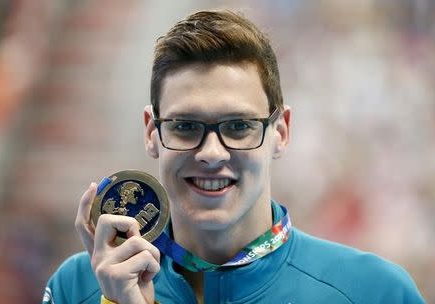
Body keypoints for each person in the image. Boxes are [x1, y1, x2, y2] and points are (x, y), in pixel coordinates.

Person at [42, 9, 425, 304]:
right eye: (185, 126)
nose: (211, 153)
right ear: (151, 132)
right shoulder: (79, 286)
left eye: (239, 126)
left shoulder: (374, 291)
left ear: (281, 132)